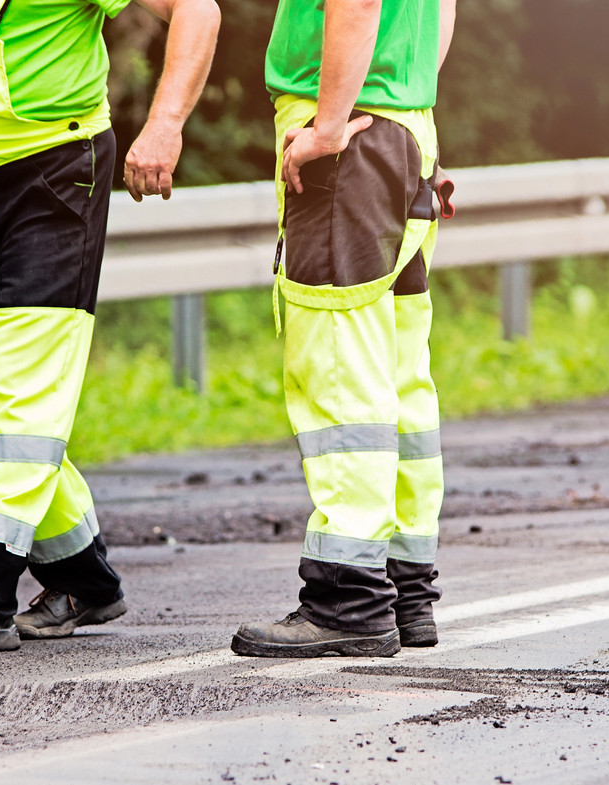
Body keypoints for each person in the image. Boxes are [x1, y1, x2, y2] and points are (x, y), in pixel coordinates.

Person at [0, 0, 219, 654]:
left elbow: (196, 10)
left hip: (52, 179)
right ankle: (83, 579)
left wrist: (165, 125)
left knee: (24, 400)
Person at [230, 0, 457, 658]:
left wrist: (329, 125)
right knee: (399, 375)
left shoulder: (338, 131)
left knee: (342, 372)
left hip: (351, 140)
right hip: (404, 129)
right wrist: (400, 106)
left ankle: (349, 597)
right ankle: (403, 584)